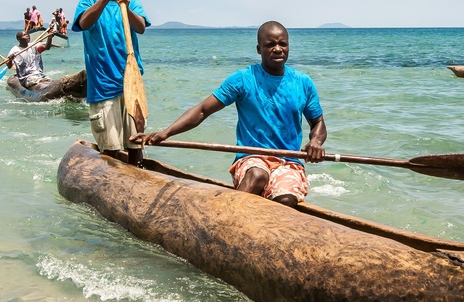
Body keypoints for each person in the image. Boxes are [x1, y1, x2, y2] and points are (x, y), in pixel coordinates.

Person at [133, 21, 327, 207]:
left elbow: (317, 122)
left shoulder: (303, 82)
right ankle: (228, 216)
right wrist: (165, 133)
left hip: (288, 161)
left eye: (282, 44)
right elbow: (202, 111)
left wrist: (316, 141)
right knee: (258, 176)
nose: (277, 49)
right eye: (270, 45)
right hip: (252, 159)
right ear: (259, 49)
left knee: (286, 200)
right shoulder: (243, 79)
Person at [72, 0, 151, 165]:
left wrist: (125, 5)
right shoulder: (88, 2)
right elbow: (84, 23)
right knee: (110, 147)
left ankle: (138, 175)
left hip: (130, 83)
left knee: (135, 143)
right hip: (103, 84)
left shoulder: (131, 2)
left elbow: (140, 27)